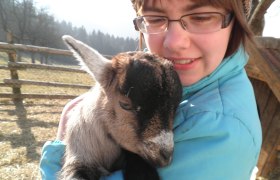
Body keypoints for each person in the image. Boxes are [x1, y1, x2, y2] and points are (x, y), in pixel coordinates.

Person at [40, 0, 262, 179]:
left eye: (201, 17)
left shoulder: (220, 129)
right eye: (155, 19)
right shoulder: (176, 78)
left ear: (237, 22)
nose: (174, 42)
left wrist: (58, 149)